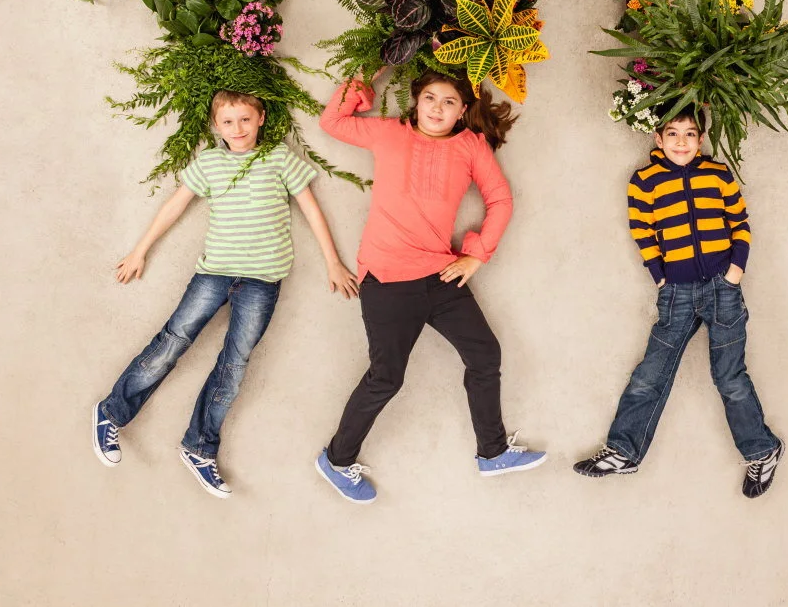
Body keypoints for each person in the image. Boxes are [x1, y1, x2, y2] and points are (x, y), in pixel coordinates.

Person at [91, 90, 358, 499]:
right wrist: (140, 250)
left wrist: (333, 262)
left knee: (234, 364)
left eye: (246, 119)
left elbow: (311, 210)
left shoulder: (279, 158)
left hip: (262, 281)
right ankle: (111, 412)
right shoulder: (210, 163)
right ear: (217, 126)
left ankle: (199, 446)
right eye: (229, 122)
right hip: (213, 274)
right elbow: (174, 206)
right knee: (173, 341)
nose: (238, 128)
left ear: (261, 119)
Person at [312, 68, 546, 504]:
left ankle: (492, 452)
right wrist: (367, 73)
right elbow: (332, 121)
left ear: (462, 111)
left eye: (449, 102)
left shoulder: (471, 145)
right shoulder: (388, 133)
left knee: (485, 355)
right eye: (430, 98)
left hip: (440, 276)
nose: (438, 108)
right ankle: (336, 460)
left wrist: (478, 254)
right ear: (416, 102)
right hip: (387, 278)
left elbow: (500, 198)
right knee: (386, 378)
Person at [573, 111, 784, 497]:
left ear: (700, 139)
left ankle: (763, 450)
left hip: (722, 288)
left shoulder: (717, 174)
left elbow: (739, 223)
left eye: (689, 134)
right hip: (677, 293)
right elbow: (642, 231)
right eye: (673, 133)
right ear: (658, 138)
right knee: (649, 375)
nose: (681, 141)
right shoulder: (644, 181)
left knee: (729, 378)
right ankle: (623, 451)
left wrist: (735, 271)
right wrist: (661, 277)